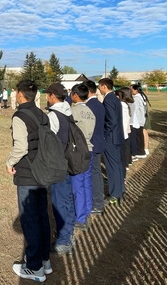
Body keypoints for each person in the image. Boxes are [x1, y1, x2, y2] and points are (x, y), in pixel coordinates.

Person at [8, 80, 52, 282]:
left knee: (30, 219)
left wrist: (9, 162)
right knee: (42, 215)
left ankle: (34, 267)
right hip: (43, 170)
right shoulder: (43, 115)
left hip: (28, 172)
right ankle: (45, 260)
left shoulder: (20, 116)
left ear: (20, 94)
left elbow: (21, 147)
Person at [44, 82, 76, 256]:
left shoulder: (53, 116)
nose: (46, 97)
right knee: (67, 200)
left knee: (59, 202)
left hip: (58, 164)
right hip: (69, 161)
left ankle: (63, 240)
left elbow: (50, 142)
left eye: (48, 94)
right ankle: (69, 233)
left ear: (53, 96)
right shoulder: (68, 109)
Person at [70, 83, 95, 231]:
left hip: (79, 150)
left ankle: (80, 218)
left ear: (75, 95)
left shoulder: (74, 111)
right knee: (86, 181)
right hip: (89, 149)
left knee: (77, 184)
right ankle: (87, 210)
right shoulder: (90, 111)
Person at [98, 78, 125, 205]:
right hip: (117, 136)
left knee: (112, 166)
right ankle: (120, 190)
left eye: (99, 86)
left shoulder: (108, 99)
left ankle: (115, 194)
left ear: (104, 86)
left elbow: (112, 120)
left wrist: (105, 134)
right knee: (117, 165)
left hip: (111, 137)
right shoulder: (115, 98)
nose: (99, 89)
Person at [84, 80, 106, 215]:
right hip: (98, 142)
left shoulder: (89, 106)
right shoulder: (99, 104)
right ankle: (98, 202)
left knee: (93, 174)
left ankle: (97, 203)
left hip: (92, 143)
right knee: (96, 173)